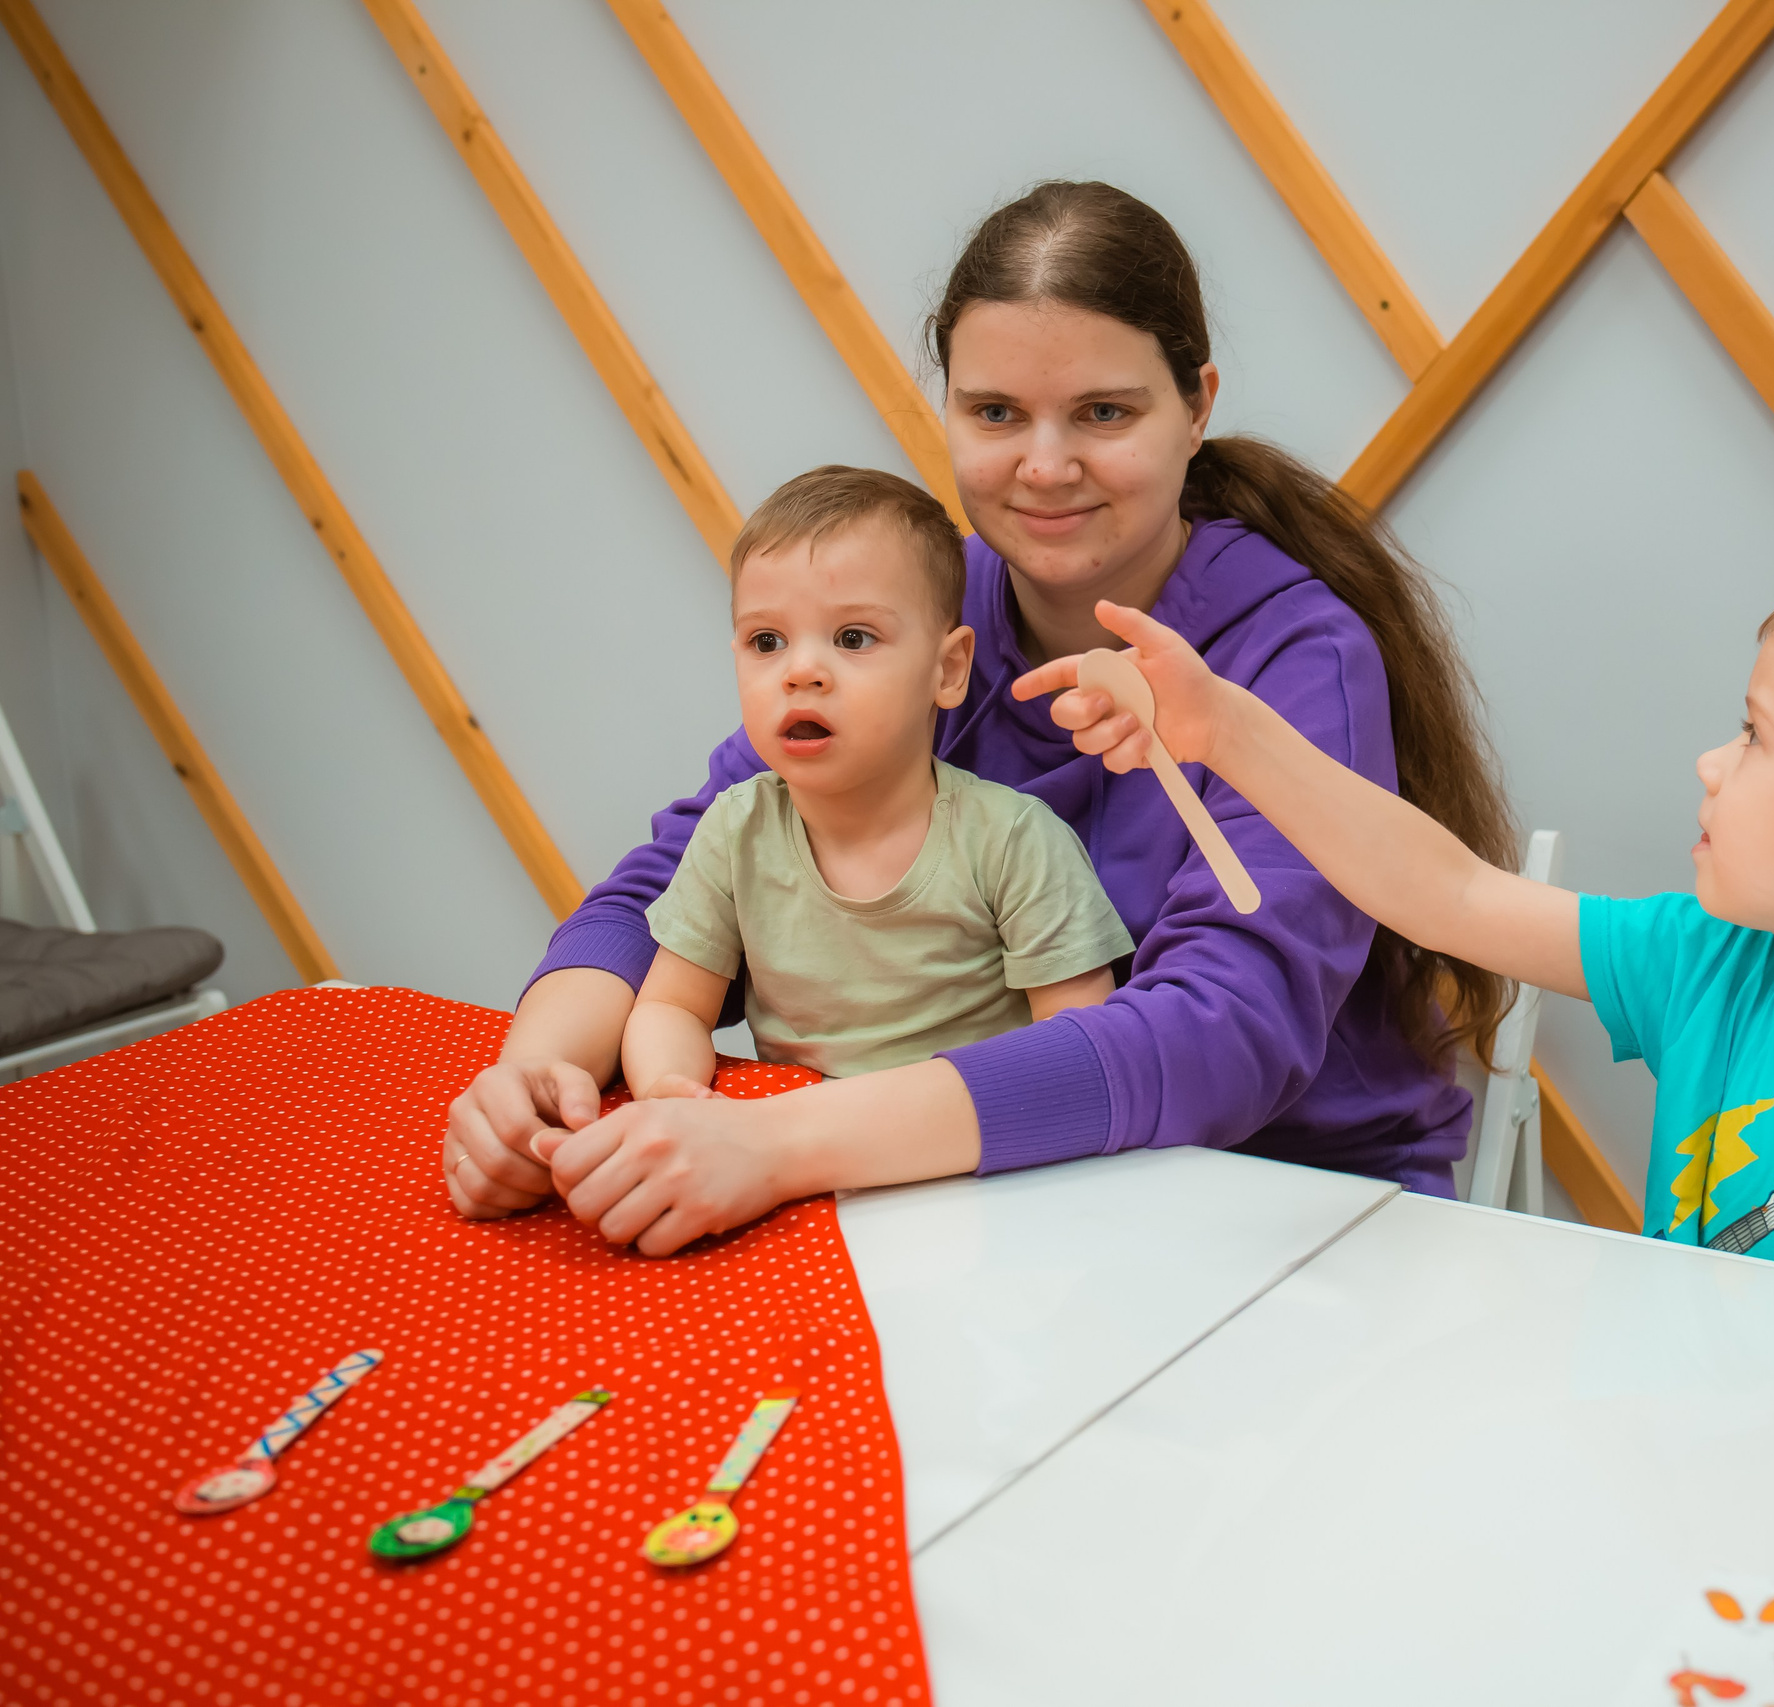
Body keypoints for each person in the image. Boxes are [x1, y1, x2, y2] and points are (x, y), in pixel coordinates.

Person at [441, 181, 1515, 1255]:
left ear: (1196, 406)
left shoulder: (1295, 656)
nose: (1044, 467)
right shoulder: (913, 618)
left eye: (1105, 412)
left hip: (1294, 1209)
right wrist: (535, 1074)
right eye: (995, 414)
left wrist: (780, 1144)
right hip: (970, 1198)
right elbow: (676, 876)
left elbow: (1220, 1035)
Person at [1025, 564, 1774, 1325]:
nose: (1713, 763)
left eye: (1757, 737)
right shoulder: (1710, 966)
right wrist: (1222, 725)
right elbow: (1448, 890)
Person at [620, 466, 1131, 1100]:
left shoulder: (1013, 842)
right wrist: (671, 1092)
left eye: (853, 637)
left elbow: (1078, 1050)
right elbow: (671, 1008)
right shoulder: (734, 832)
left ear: (947, 670)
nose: (800, 671)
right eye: (766, 640)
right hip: (789, 1160)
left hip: (972, 1158)